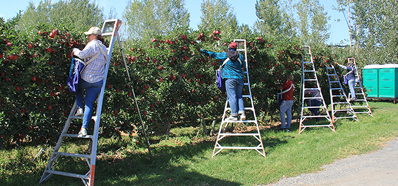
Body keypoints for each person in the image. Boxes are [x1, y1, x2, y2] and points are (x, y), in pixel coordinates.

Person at [71, 27, 108, 136]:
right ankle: (84, 128)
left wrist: (75, 50)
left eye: (89, 35)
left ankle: (79, 108)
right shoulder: (104, 48)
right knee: (89, 103)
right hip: (98, 81)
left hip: (87, 77)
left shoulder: (92, 45)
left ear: (94, 36)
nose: (88, 37)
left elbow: (82, 55)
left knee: (76, 87)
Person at [200, 42, 246, 121]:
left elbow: (213, 54)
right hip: (240, 78)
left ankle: (234, 115)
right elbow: (244, 65)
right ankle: (242, 113)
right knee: (239, 96)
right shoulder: (240, 56)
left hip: (229, 78)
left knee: (232, 96)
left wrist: (202, 51)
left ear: (229, 47)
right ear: (236, 48)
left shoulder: (225, 55)